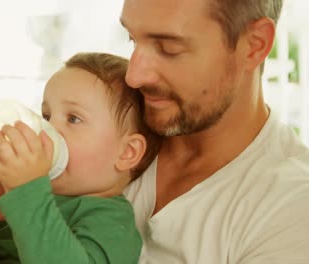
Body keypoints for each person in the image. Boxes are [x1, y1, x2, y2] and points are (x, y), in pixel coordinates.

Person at [0, 52, 160, 264]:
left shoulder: (111, 221)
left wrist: (27, 194)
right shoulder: (21, 197)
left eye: (73, 119)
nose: (48, 131)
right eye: (46, 116)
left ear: (127, 152)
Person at [120, 0, 309, 262]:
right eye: (132, 39)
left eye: (168, 48)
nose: (134, 76)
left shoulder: (293, 206)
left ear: (254, 45)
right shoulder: (104, 128)